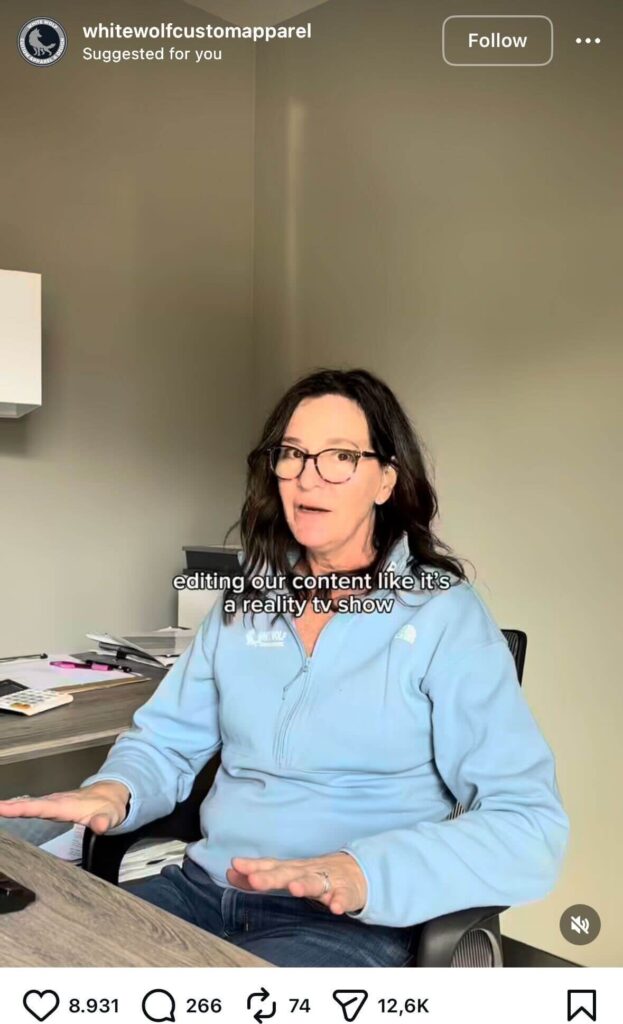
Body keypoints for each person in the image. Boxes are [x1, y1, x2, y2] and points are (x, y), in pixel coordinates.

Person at [0, 368, 570, 967]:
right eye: (293, 454)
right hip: (200, 891)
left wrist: (361, 871)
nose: (307, 477)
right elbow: (164, 743)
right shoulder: (244, 605)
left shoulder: (443, 616)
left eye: (340, 457)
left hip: (343, 925)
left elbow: (528, 825)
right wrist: (116, 789)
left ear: (386, 479)